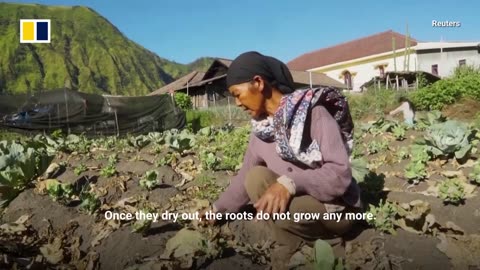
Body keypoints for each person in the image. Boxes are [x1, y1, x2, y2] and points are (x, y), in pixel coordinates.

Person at [201, 52, 362, 270]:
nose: (237, 103)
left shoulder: (315, 113)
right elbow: (242, 181)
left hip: (334, 207)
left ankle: (329, 245)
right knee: (255, 177)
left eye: (237, 94)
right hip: (299, 206)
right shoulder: (260, 130)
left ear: (258, 83)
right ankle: (290, 237)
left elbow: (338, 175)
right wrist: (216, 210)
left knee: (293, 209)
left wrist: (289, 184)